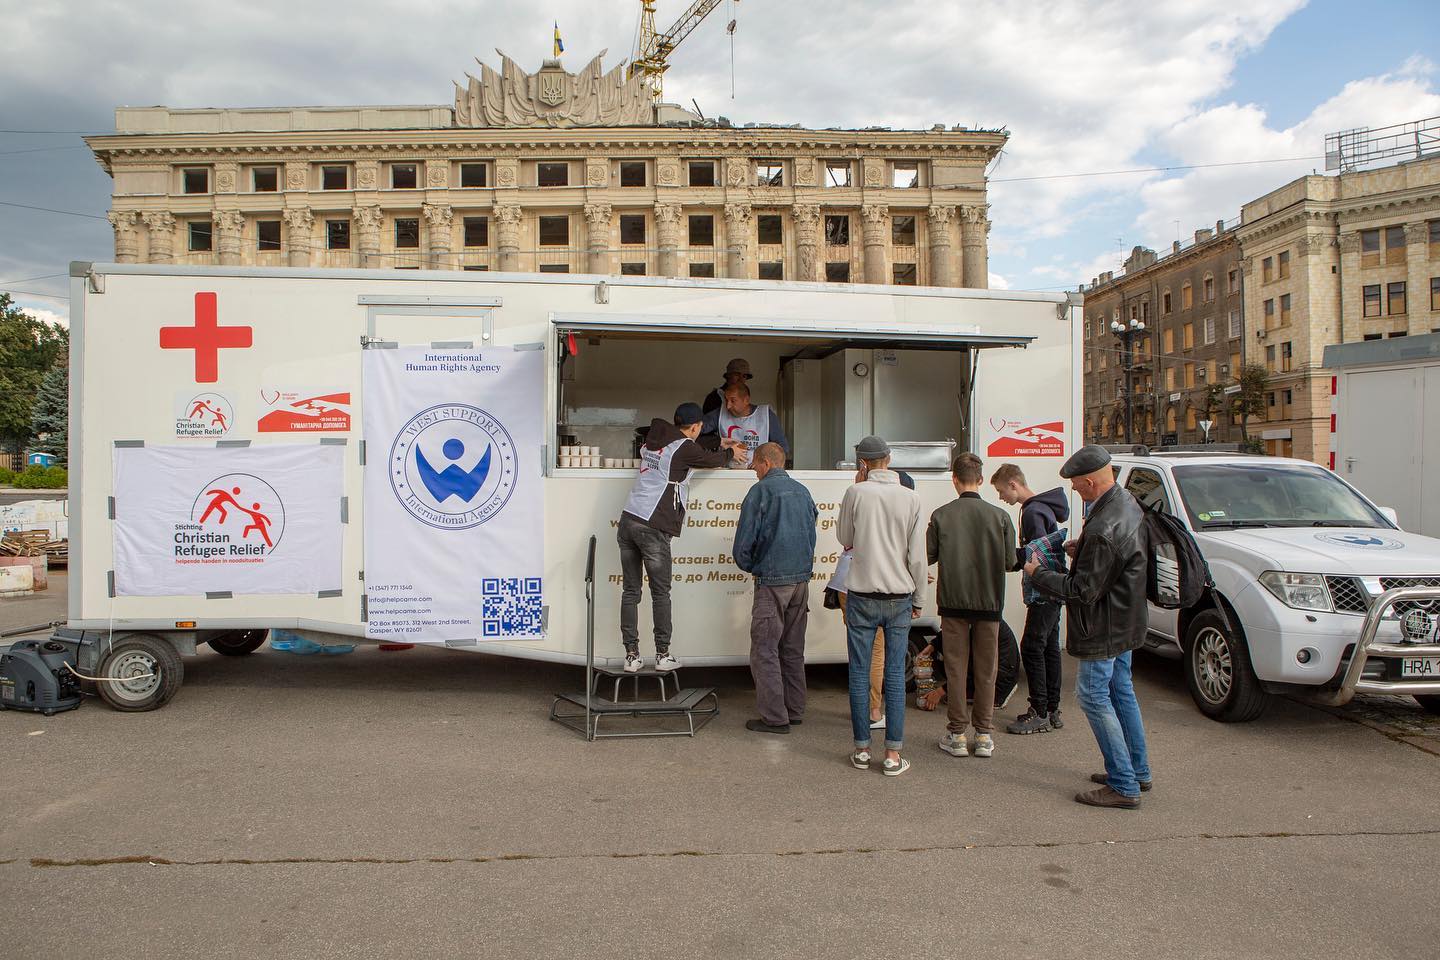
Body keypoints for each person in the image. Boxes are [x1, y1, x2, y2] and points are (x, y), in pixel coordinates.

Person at [1027, 445, 1152, 809]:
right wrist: (1081, 551)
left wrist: (1039, 574)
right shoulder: (1126, 502)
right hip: (1127, 619)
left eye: (1078, 486)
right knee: (1121, 691)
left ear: (1090, 481)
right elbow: (1117, 560)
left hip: (1104, 627)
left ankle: (1124, 784)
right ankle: (1137, 771)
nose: (1076, 491)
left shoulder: (1102, 526)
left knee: (1094, 697)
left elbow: (1082, 591)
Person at [618, 402, 736, 673]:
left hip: (628, 520)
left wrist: (717, 440)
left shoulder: (654, 439)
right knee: (661, 593)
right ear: (695, 427)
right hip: (653, 525)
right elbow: (713, 460)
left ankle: (631, 656)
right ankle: (662, 655)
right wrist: (730, 451)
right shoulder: (683, 448)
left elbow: (693, 447)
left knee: (631, 592)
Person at [836, 435, 927, 777]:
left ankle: (861, 749)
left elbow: (845, 538)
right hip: (898, 597)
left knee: (859, 672)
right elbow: (916, 557)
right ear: (889, 458)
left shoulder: (855, 493)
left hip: (861, 596)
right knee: (893, 675)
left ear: (862, 463)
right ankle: (892, 755)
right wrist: (919, 598)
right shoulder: (912, 498)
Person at [927, 453, 1021, 760]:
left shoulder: (941, 515)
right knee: (986, 670)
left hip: (953, 602)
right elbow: (1009, 562)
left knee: (955, 669)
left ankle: (956, 735)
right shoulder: (1000, 517)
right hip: (989, 603)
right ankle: (983, 736)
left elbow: (928, 556)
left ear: (954, 479)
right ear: (981, 480)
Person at [733, 442, 818, 735]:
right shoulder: (803, 492)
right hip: (801, 582)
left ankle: (774, 718)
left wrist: (751, 566)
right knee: (793, 649)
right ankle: (794, 710)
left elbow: (744, 541)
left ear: (766, 463)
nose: (753, 470)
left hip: (772, 581)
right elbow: (812, 534)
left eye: (755, 465)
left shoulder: (760, 492)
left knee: (765, 650)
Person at [992, 463, 1071, 735]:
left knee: (1032, 648)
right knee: (1049, 648)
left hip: (1043, 592)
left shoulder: (1033, 512)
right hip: (1055, 590)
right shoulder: (1044, 507)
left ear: (1014, 484)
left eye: (1002, 491)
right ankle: (1052, 708)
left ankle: (1038, 710)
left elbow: (1035, 556)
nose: (1002, 497)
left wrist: (1003, 558)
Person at [701, 382, 790, 466]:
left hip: (759, 473)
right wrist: (716, 443)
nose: (728, 406)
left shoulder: (765, 414)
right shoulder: (719, 414)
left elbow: (782, 448)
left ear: (746, 400)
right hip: (727, 473)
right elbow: (695, 430)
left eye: (733, 400)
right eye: (726, 400)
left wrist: (765, 463)